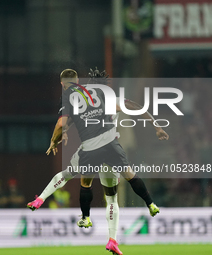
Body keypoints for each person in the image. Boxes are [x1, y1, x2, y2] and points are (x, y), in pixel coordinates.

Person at [27, 68, 169, 255]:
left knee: (70, 174)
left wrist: (60, 136)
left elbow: (68, 121)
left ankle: (47, 201)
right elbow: (134, 107)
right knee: (112, 198)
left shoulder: (78, 97)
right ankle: (115, 237)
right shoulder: (108, 99)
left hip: (91, 149)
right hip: (111, 149)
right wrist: (156, 126)